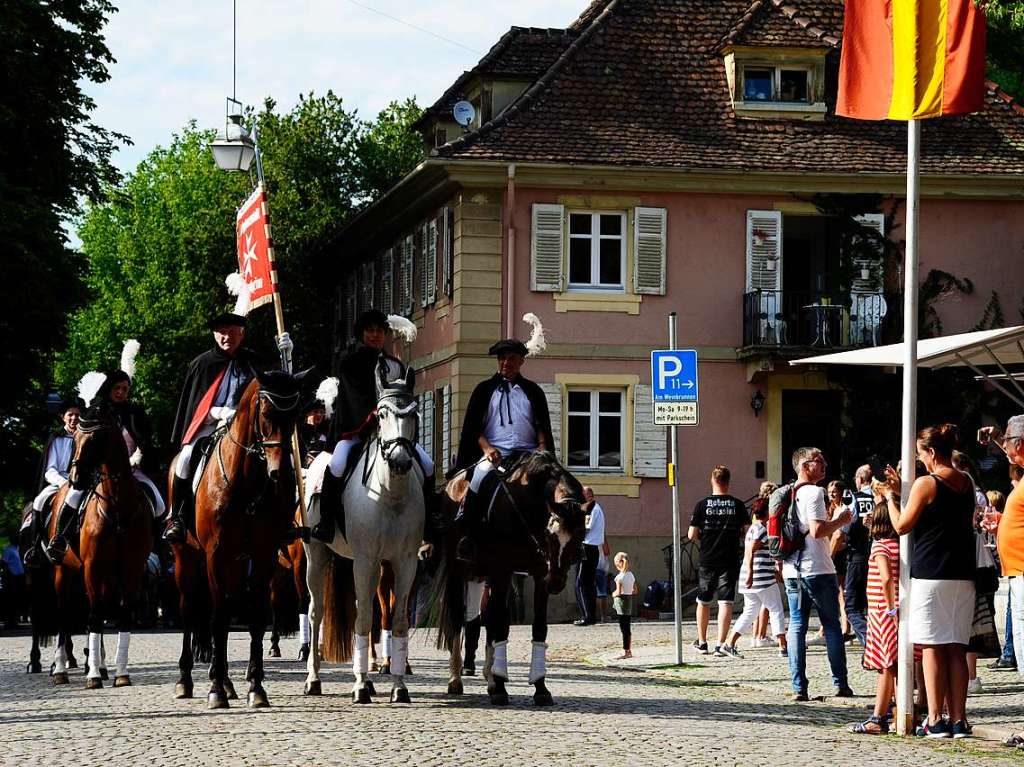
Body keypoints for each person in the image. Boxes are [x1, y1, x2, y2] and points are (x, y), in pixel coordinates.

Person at [884, 424, 975, 739]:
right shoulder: (967, 482)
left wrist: (890, 499)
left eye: (920, 454)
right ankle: (959, 719)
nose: (919, 460)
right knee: (956, 647)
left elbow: (902, 525)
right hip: (962, 573)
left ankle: (936, 718)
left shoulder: (927, 482)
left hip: (931, 573)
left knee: (933, 647)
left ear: (932, 452)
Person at [312, 310, 434, 542]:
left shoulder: (396, 365)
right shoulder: (349, 364)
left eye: (379, 331)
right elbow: (354, 399)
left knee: (427, 465)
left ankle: (430, 521)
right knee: (337, 464)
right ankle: (326, 522)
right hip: (357, 431)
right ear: (362, 334)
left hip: (393, 433)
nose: (375, 335)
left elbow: (403, 399)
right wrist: (373, 419)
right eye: (370, 331)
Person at [451, 336, 553, 563]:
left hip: (529, 454)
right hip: (496, 454)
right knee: (478, 478)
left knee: (555, 481)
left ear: (521, 361)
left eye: (512, 358)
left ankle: (561, 537)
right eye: (502, 358)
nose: (506, 363)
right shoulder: (484, 390)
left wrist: (542, 447)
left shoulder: (533, 391)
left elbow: (541, 424)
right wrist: (487, 449)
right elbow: (472, 428)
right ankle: (469, 535)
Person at [164, 310, 262, 543]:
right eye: (221, 332)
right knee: (186, 457)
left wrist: (286, 356)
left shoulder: (254, 361)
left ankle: (279, 518)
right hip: (210, 424)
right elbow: (196, 405)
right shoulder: (202, 363)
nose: (226, 337)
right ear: (215, 335)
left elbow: (272, 389)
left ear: (242, 333)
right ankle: (177, 516)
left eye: (232, 332)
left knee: (274, 458)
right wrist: (218, 412)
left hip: (246, 427)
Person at [780, 447, 854, 701]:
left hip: (792, 569)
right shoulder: (814, 492)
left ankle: (799, 687)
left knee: (797, 626)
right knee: (832, 625)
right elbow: (817, 531)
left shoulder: (788, 493)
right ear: (804, 466)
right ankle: (840, 684)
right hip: (818, 569)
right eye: (818, 461)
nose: (824, 464)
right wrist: (842, 520)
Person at [850, 500, 901, 734]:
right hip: (896, 609)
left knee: (886, 665)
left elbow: (886, 577)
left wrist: (891, 608)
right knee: (897, 665)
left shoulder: (881, 547)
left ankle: (878, 717)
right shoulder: (901, 545)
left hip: (883, 611)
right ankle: (899, 713)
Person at [688, 465, 747, 655]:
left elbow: (691, 534)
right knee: (726, 602)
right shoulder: (738, 505)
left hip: (708, 558)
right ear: (728, 482)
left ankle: (702, 642)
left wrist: (705, 537)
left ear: (712, 480)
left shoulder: (702, 505)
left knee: (703, 601)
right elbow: (747, 532)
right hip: (729, 558)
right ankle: (721, 644)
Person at [721, 494, 786, 658]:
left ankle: (729, 643)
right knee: (776, 608)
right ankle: (783, 646)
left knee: (750, 612)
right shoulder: (763, 530)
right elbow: (750, 550)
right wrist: (751, 572)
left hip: (749, 579)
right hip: (761, 578)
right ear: (767, 512)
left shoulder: (752, 528)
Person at [23, 398, 82, 565]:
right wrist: (64, 484)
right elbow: (50, 469)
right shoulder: (56, 438)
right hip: (59, 482)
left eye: (78, 415)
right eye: (70, 415)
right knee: (39, 501)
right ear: (63, 417)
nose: (74, 418)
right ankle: (33, 546)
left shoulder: (86, 438)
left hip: (82, 482)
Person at [845, 464, 875, 647]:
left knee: (852, 607)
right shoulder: (884, 498)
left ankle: (870, 643)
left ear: (860, 479)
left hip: (857, 556)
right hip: (879, 556)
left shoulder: (854, 499)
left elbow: (845, 527)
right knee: (873, 605)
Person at [575, 487, 605, 626]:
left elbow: (586, 527)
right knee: (588, 584)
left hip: (587, 548)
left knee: (580, 584)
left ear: (588, 496)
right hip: (592, 549)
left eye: (582, 496)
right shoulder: (595, 507)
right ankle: (590, 616)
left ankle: (587, 616)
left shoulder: (592, 509)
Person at [612, 551, 638, 659]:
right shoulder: (631, 575)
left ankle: (626, 651)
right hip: (629, 602)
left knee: (623, 628)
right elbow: (635, 590)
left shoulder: (619, 577)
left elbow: (618, 592)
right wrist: (628, 592)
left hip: (621, 602)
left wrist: (613, 594)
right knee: (627, 627)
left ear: (618, 564)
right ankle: (628, 649)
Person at [298, 399, 329, 468]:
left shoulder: (325, 431)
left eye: (321, 412)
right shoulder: (299, 431)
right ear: (308, 414)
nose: (319, 414)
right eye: (315, 412)